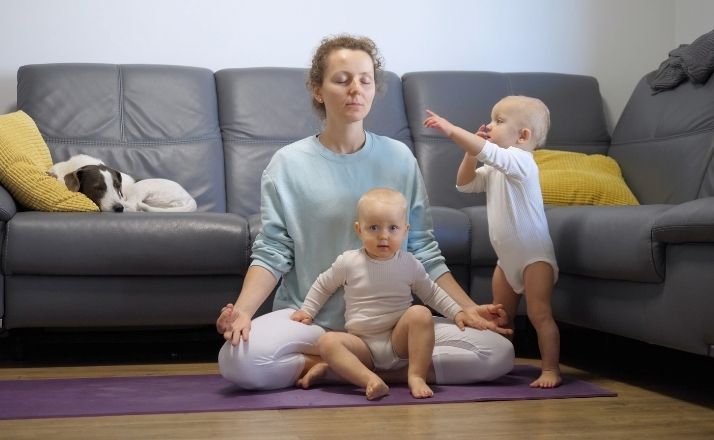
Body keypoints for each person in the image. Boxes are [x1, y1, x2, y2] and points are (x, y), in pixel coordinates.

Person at [216, 34, 515, 391]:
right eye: (342, 80)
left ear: (374, 89)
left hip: (392, 329)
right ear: (318, 89)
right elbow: (272, 252)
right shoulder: (287, 164)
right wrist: (244, 313)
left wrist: (467, 309)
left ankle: (338, 368)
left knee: (498, 352)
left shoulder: (400, 158)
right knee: (236, 360)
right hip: (311, 322)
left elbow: (423, 249)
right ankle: (341, 358)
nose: (355, 89)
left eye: (365, 80)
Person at [423, 96, 561, 388]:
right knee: (501, 314)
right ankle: (503, 361)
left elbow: (487, 151)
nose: (489, 125)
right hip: (506, 261)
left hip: (535, 258)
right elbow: (465, 183)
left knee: (539, 314)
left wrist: (451, 129)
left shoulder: (521, 162)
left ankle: (550, 369)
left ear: (523, 136)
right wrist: (470, 154)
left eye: (499, 121)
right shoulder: (499, 168)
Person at [291, 188, 466, 400]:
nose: (383, 236)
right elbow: (323, 284)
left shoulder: (410, 264)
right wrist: (308, 310)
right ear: (359, 229)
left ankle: (417, 375)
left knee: (420, 313)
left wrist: (457, 312)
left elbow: (432, 294)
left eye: (393, 228)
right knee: (327, 342)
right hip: (362, 345)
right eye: (373, 227)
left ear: (405, 230)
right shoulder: (349, 262)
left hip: (398, 341)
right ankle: (370, 380)